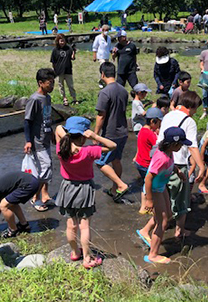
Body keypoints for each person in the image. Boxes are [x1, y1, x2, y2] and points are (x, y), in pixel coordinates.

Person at [55, 116, 117, 269]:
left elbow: (57, 129)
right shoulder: (89, 151)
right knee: (84, 226)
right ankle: (87, 258)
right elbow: (113, 146)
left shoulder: (61, 148)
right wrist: (95, 136)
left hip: (67, 187)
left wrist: (68, 137)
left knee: (71, 225)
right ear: (84, 136)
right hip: (84, 189)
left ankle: (75, 253)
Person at [137, 127, 190, 264]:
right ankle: (153, 255)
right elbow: (148, 178)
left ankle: (144, 231)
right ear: (174, 144)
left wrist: (178, 172)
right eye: (181, 144)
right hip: (154, 191)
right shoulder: (161, 158)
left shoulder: (168, 153)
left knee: (168, 214)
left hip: (160, 188)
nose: (182, 146)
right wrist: (149, 200)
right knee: (163, 221)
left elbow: (170, 165)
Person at [157, 91, 205, 238]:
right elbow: (193, 147)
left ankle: (161, 223)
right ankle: (180, 230)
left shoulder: (167, 115)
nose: (195, 112)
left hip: (162, 160)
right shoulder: (189, 121)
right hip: (178, 163)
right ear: (191, 106)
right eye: (196, 108)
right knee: (181, 199)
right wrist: (201, 166)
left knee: (164, 195)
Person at [95, 62, 130, 201]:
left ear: (102, 74)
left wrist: (95, 134)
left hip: (110, 134)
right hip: (123, 131)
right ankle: (115, 190)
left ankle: (121, 185)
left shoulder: (105, 92)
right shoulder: (123, 90)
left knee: (99, 162)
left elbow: (101, 116)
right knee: (116, 160)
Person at [23, 68, 56, 212]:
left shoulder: (47, 98)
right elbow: (27, 122)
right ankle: (35, 198)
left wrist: (53, 133)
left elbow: (47, 118)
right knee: (45, 168)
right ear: (40, 83)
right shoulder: (34, 100)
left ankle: (44, 196)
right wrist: (28, 141)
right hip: (37, 142)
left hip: (46, 138)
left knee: (46, 168)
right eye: (50, 83)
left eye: (53, 82)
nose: (52, 86)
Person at [134, 108, 164, 181]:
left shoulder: (142, 130)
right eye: (159, 123)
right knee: (151, 184)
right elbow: (159, 147)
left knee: (145, 181)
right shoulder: (150, 134)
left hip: (139, 162)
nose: (159, 126)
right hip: (146, 165)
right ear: (152, 121)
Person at [50, 34, 77, 106]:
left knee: (70, 85)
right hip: (59, 71)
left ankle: (74, 98)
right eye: (61, 41)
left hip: (68, 70)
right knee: (61, 85)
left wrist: (74, 51)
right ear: (58, 41)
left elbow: (72, 58)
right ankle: (64, 98)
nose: (62, 42)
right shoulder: (55, 50)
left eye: (63, 41)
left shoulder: (68, 48)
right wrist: (55, 71)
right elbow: (53, 61)